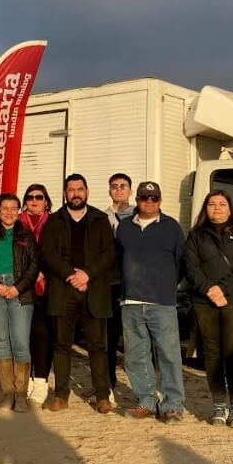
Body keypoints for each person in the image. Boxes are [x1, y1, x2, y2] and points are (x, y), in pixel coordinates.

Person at [41, 174, 116, 414]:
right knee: (62, 345)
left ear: (87, 192)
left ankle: (102, 396)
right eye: (71, 190)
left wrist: (87, 274)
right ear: (65, 193)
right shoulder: (54, 221)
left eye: (79, 189)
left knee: (97, 346)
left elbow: (109, 253)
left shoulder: (100, 219)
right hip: (63, 291)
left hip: (93, 290)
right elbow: (48, 253)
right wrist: (70, 275)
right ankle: (61, 394)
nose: (75, 193)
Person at [116, 181, 187, 422]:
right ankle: (146, 400)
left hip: (162, 302)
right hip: (131, 302)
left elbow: (181, 263)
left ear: (160, 201)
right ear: (137, 201)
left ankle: (173, 404)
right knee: (136, 356)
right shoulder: (124, 227)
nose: (149, 202)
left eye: (153, 198)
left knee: (168, 354)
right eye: (144, 198)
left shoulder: (171, 227)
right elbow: (118, 259)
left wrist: (166, 285)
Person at [185, 189, 233, 427]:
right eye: (212, 204)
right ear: (205, 208)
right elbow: (191, 267)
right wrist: (209, 290)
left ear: (230, 208)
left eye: (222, 204)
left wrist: (223, 291)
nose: (217, 208)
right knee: (212, 353)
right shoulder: (196, 235)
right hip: (204, 302)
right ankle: (218, 404)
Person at [0, 193, 41, 412]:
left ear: (19, 211)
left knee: (20, 341)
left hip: (20, 292)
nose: (10, 212)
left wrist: (17, 287)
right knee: (2, 342)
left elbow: (33, 265)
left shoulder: (26, 235)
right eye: (5, 208)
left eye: (14, 208)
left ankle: (20, 394)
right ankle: (7, 393)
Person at [20, 183, 54, 404]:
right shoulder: (17, 221)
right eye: (30, 197)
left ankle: (41, 379)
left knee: (42, 333)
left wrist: (43, 271)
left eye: (39, 197)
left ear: (46, 201)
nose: (34, 200)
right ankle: (26, 379)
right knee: (23, 335)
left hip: (47, 285)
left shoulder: (54, 222)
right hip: (21, 285)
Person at [101, 172, 133, 403]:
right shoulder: (102, 218)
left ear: (130, 190)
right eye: (115, 186)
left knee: (136, 339)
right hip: (110, 285)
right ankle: (108, 384)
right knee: (109, 338)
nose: (119, 190)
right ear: (109, 191)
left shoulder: (140, 216)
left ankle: (143, 388)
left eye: (123, 186)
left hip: (135, 286)